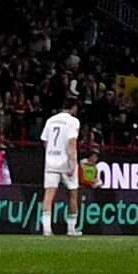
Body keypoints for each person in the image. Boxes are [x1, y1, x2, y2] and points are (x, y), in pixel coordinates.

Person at [40, 96, 81, 237]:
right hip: (65, 161)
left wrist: (51, 155)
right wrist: (71, 164)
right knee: (73, 194)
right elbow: (71, 142)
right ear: (74, 107)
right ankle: (71, 229)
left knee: (49, 194)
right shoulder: (73, 121)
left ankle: (46, 229)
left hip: (51, 162)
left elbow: (45, 141)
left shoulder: (50, 120)